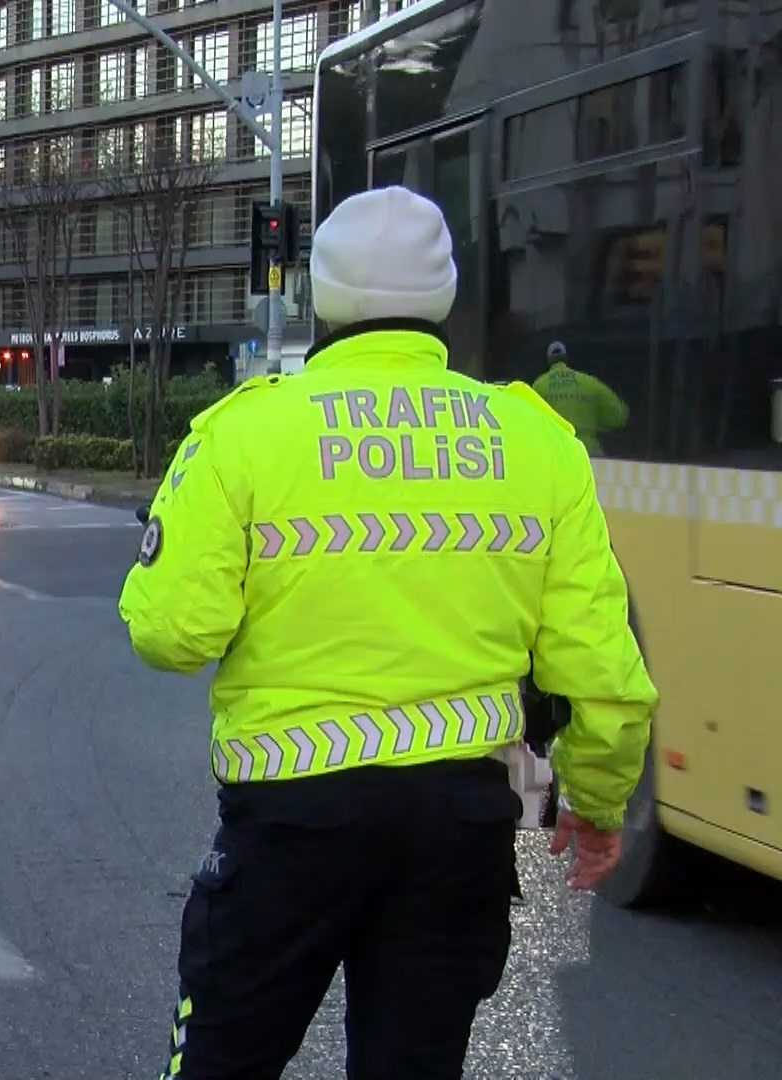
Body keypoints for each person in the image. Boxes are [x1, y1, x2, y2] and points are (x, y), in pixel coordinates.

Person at [117, 186, 657, 1080]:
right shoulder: (536, 441)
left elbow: (174, 633)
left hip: (290, 829)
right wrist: (598, 805)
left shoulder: (245, 434)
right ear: (443, 296)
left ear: (318, 297)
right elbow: (604, 673)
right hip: (461, 832)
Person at [533, 341, 629, 455]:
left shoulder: (539, 385)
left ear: (549, 359)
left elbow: (531, 424)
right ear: (566, 358)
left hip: (555, 452)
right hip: (588, 452)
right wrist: (596, 422)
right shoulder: (589, 382)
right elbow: (619, 417)